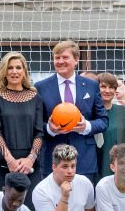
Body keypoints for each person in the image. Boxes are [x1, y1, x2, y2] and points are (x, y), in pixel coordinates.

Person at [36, 41, 108, 182]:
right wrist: (49, 129)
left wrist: (86, 126)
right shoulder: (41, 87)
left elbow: (103, 121)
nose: (60, 61)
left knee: (84, 203)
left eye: (65, 57)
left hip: (85, 160)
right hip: (53, 160)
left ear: (76, 60)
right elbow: (35, 124)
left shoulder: (91, 85)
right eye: (57, 58)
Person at [0, 52, 45, 188]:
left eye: (18, 68)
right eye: (10, 67)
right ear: (4, 71)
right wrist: (9, 159)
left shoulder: (35, 97)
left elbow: (39, 133)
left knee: (31, 207)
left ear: (24, 71)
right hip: (4, 163)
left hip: (30, 165)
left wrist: (30, 159)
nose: (14, 72)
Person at [96, 73, 125, 174]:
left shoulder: (122, 111)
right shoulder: (91, 112)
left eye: (111, 87)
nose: (107, 90)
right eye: (103, 86)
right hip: (98, 166)